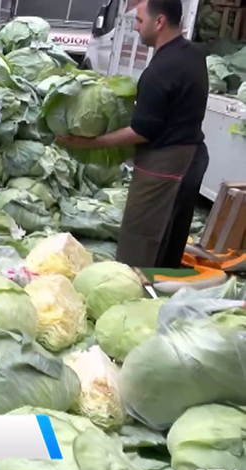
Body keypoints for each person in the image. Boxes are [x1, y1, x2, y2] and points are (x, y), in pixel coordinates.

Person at [59, 0, 209, 269]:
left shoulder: (161, 70)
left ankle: (138, 293)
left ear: (159, 22)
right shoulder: (193, 54)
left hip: (165, 165)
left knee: (141, 240)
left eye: (140, 21)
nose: (137, 28)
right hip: (192, 157)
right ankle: (158, 289)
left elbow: (143, 130)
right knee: (170, 237)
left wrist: (90, 143)